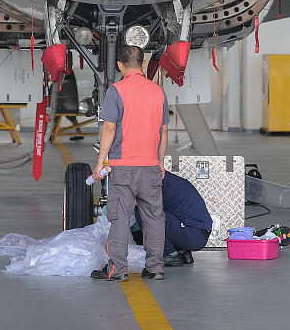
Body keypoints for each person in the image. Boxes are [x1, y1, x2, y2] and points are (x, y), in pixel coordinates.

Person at [90, 44, 168, 282]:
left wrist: (100, 161)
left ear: (120, 65)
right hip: (151, 167)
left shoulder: (116, 90)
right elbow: (164, 131)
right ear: (143, 64)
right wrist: (160, 162)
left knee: (120, 218)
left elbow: (109, 127)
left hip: (123, 167)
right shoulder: (158, 92)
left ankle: (118, 270)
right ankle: (155, 268)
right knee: (154, 218)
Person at [157, 173, 212, 267]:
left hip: (191, 234)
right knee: (165, 212)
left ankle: (170, 254)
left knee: (144, 213)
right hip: (199, 233)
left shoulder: (154, 181)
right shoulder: (170, 179)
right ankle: (183, 252)